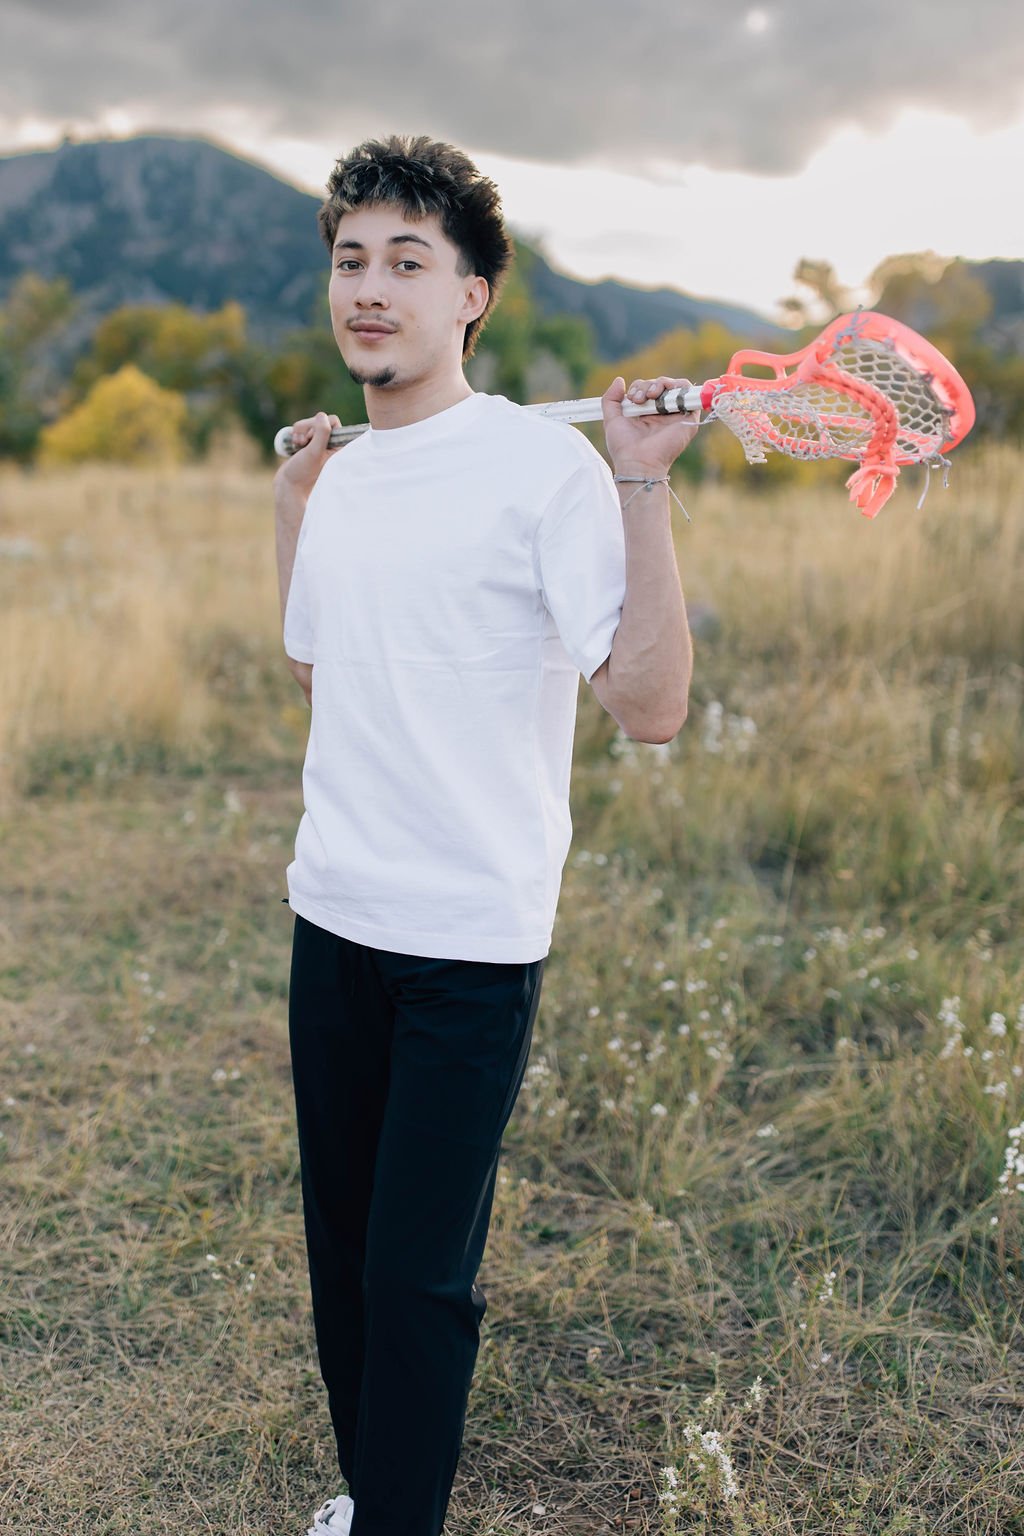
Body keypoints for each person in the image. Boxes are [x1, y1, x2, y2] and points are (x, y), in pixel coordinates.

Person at [274, 134, 697, 1536]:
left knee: (417, 1278)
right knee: (343, 1256)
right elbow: (318, 662)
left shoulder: (543, 467)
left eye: (409, 262)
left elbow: (648, 705)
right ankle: (373, 1498)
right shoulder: (340, 476)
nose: (370, 291)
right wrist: (294, 508)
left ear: (473, 296)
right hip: (331, 914)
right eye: (351, 262)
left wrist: (641, 477)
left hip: (465, 940)